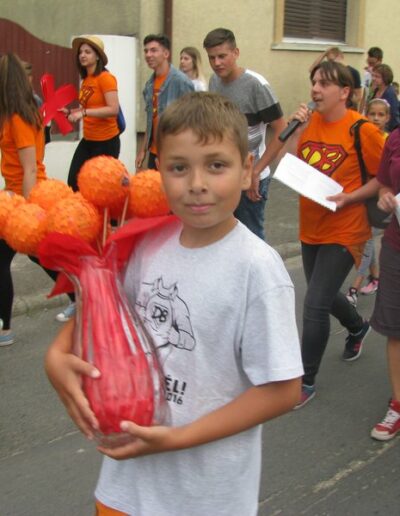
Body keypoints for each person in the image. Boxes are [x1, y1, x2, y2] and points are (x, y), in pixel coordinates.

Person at [44, 92, 303, 515]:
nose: (197, 183)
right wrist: (55, 355)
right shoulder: (144, 243)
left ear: (246, 171)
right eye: (179, 167)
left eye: (216, 165)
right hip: (125, 488)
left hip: (204, 498)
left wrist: (177, 438)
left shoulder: (257, 269)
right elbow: (103, 313)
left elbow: (283, 390)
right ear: (159, 170)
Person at [281, 61, 385, 408]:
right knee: (321, 294)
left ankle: (305, 381)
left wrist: (351, 197)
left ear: (344, 92)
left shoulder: (362, 129)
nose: (315, 89)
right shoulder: (308, 122)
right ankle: (357, 326)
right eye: (314, 82)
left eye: (324, 83)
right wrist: (294, 131)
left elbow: (384, 177)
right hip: (311, 227)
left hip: (346, 228)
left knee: (313, 303)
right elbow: (294, 165)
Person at [0, 53, 70, 345]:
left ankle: (5, 329)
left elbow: (30, 167)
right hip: (16, 196)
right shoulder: (15, 114)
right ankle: (80, 297)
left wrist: (29, 209)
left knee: (31, 257)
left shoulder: (19, 118)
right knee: (39, 256)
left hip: (25, 198)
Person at [203, 28, 286, 240]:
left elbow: (281, 130)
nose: (217, 63)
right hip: (225, 175)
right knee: (225, 236)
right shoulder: (214, 81)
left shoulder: (256, 85)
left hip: (252, 177)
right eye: (212, 58)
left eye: (222, 56)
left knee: (251, 239)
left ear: (236, 53)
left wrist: (256, 171)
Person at [369, 127, 400, 441]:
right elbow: (385, 184)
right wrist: (385, 198)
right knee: (396, 328)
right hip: (396, 248)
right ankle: (398, 405)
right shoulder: (395, 138)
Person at [345, 98, 390, 306]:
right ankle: (376, 278)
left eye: (381, 115)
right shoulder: (360, 138)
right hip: (361, 198)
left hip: (379, 201)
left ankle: (354, 288)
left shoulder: (389, 141)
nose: (376, 118)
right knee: (366, 239)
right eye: (372, 114)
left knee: (367, 241)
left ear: (388, 118)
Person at [66, 35, 121, 192]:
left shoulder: (106, 78)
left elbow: (113, 109)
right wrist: (71, 112)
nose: (82, 55)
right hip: (89, 139)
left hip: (106, 141)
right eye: (80, 52)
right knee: (74, 182)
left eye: (88, 52)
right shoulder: (86, 80)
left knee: (100, 189)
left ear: (97, 56)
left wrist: (83, 112)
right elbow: (90, 107)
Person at [135, 34, 194, 170]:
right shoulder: (149, 85)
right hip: (154, 151)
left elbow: (192, 121)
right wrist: (143, 150)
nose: (148, 55)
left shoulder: (181, 82)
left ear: (166, 54)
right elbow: (151, 119)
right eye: (146, 51)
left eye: (153, 50)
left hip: (175, 152)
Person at [370, 63, 399, 132]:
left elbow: (393, 116)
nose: (373, 79)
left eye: (377, 77)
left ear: (385, 78)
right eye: (373, 75)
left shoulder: (390, 93)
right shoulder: (376, 90)